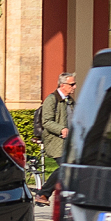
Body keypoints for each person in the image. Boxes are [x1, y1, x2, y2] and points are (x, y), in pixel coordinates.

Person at [34, 72, 75, 205]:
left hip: (69, 142)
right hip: (56, 141)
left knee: (75, 166)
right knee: (66, 167)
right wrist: (61, 129)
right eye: (72, 84)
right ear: (63, 85)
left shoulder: (70, 101)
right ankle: (42, 194)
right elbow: (46, 121)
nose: (74, 87)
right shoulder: (52, 99)